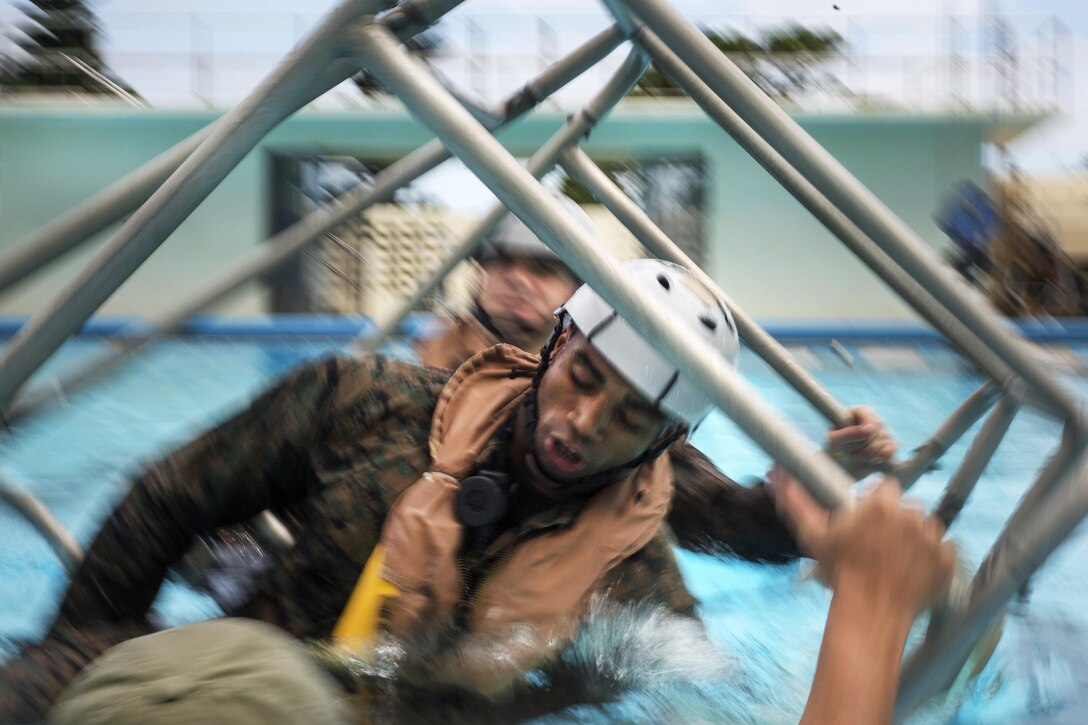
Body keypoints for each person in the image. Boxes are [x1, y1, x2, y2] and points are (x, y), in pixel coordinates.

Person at [0, 258, 892, 721]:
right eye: (581, 377)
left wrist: (800, 522)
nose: (581, 423)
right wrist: (83, 642)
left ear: (665, 444)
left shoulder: (638, 577)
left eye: (626, 418)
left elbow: (697, 695)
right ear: (552, 347)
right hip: (241, 672)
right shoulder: (367, 402)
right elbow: (167, 499)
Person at [414, 194, 587, 370]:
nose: (517, 278)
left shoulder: (589, 374)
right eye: (501, 260)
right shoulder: (416, 358)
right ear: (479, 272)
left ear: (574, 290)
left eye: (542, 269)